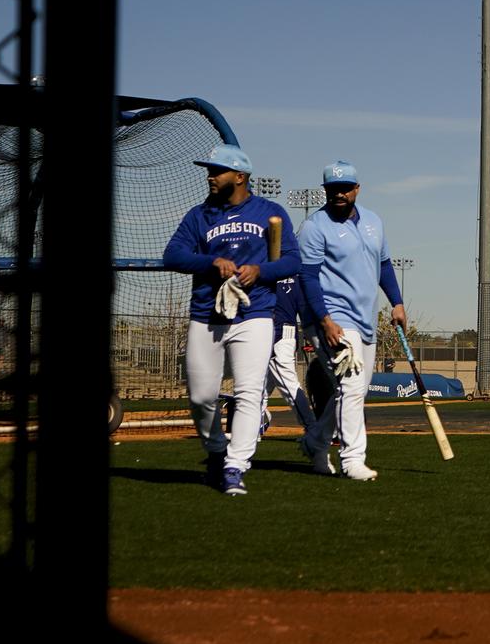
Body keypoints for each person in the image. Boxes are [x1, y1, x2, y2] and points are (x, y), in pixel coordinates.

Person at [161, 144, 298, 497]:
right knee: (201, 396)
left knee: (249, 392)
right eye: (209, 170)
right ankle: (218, 452)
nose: (210, 176)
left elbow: (293, 261)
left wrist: (261, 270)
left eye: (217, 171)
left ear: (239, 177)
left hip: (254, 313)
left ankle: (236, 466)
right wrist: (211, 262)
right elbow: (172, 255)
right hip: (207, 313)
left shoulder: (271, 211)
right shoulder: (199, 216)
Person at [297, 160, 406, 482]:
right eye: (332, 189)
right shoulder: (314, 227)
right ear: (325, 191)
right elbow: (308, 277)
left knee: (351, 389)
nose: (339, 194)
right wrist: (325, 320)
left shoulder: (374, 221)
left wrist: (397, 303)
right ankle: (353, 459)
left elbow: (384, 264)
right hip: (332, 318)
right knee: (353, 386)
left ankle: (315, 442)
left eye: (345, 188)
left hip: (365, 317)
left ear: (357, 189)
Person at [263, 262, 319, 457]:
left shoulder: (267, 270)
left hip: (279, 334)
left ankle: (312, 429)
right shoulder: (296, 272)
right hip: (282, 333)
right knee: (259, 387)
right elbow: (304, 310)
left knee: (289, 385)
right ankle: (258, 422)